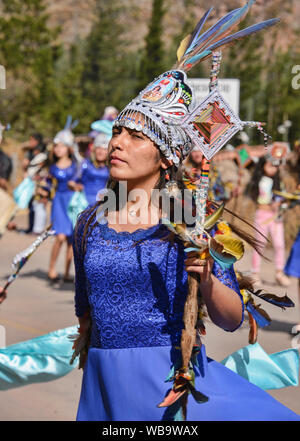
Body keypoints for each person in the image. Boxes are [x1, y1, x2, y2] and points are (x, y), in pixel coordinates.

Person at [72, 4, 299, 420]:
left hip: (171, 389)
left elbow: (232, 320)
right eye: (117, 132)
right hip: (104, 389)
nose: (118, 142)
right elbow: (86, 315)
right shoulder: (89, 222)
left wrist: (209, 278)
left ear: (165, 157)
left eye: (136, 135)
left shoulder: (191, 219)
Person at [245, 153, 290, 287]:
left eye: (275, 166)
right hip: (262, 215)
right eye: (270, 165)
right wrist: (269, 205)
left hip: (276, 217)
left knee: (279, 244)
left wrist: (283, 203)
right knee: (259, 244)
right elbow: (257, 200)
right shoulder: (258, 181)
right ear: (263, 165)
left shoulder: (279, 182)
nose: (273, 169)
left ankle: (279, 272)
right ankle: (255, 273)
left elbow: (282, 199)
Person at [47, 125, 78, 283]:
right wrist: (43, 191)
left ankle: (66, 272)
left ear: (69, 148)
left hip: (72, 202)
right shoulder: (51, 167)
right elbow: (46, 185)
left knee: (71, 239)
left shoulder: (76, 166)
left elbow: (81, 182)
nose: (58, 149)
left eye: (62, 146)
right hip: (58, 201)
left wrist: (78, 186)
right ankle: (51, 268)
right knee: (59, 237)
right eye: (56, 146)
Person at [68, 133, 110, 205]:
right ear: (94, 150)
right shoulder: (86, 163)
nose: (100, 152)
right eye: (98, 148)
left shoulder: (111, 167)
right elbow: (71, 182)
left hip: (103, 204)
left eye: (104, 149)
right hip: (85, 203)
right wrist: (76, 186)